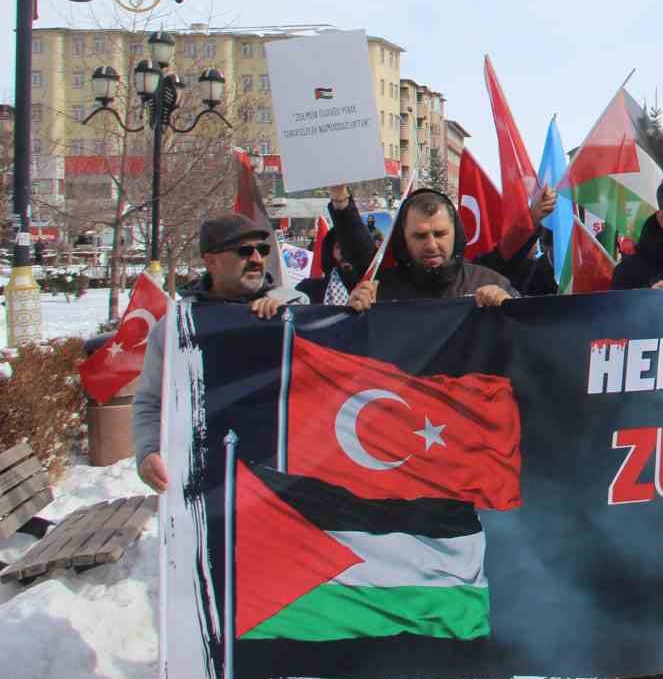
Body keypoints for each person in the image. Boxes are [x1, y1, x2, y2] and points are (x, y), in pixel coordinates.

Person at [133, 214, 305, 493]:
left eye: (262, 250)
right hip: (213, 485)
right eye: (243, 251)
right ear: (210, 260)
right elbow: (151, 400)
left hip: (288, 478)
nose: (256, 259)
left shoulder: (296, 310)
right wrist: (148, 451)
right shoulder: (177, 329)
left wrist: (288, 312)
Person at [347, 188, 516, 309]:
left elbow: (529, 341)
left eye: (440, 234)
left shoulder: (491, 283)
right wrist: (355, 317)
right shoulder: (379, 292)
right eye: (420, 236)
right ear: (403, 238)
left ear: (455, 233)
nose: (431, 245)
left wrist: (511, 309)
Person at [295, 184, 376, 304]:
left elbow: (353, 230)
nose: (344, 252)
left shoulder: (372, 291)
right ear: (330, 250)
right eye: (339, 246)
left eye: (349, 247)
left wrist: (341, 201)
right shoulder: (308, 289)